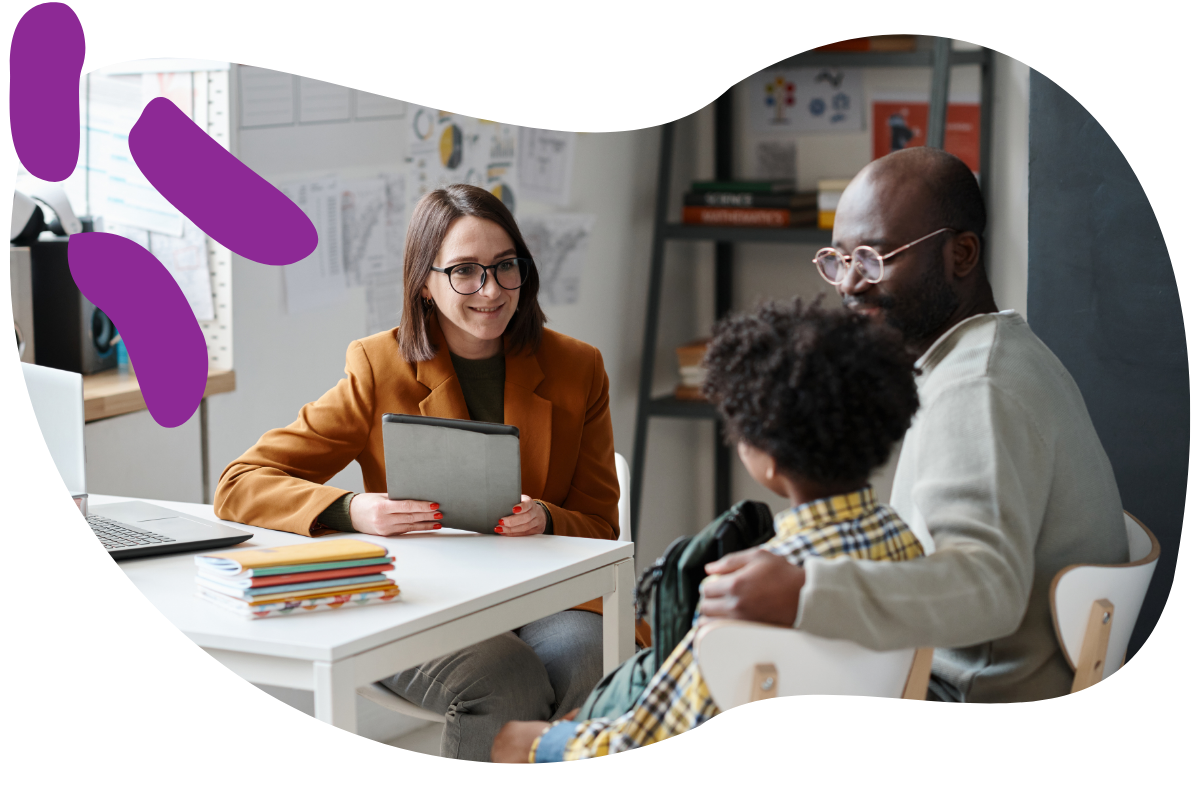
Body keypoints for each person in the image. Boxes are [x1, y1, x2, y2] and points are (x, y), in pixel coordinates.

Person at [213, 184, 650, 767]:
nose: (491, 290)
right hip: (424, 600)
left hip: (550, 601)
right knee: (502, 677)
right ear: (425, 281)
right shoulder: (378, 366)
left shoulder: (577, 367)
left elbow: (599, 525)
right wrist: (353, 511)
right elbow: (241, 480)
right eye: (465, 271)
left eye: (504, 267)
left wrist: (546, 517)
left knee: (588, 659)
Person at [695, 147, 1129, 704]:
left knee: (715, 688)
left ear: (962, 254)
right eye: (840, 259)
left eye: (876, 257)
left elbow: (987, 588)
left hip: (966, 703)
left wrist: (805, 591)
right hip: (966, 676)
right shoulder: (999, 351)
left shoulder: (976, 389)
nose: (850, 284)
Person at [491, 297, 927, 767]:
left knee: (522, 742)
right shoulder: (906, 546)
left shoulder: (748, 593)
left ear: (768, 459)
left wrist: (542, 745)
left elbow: (645, 754)